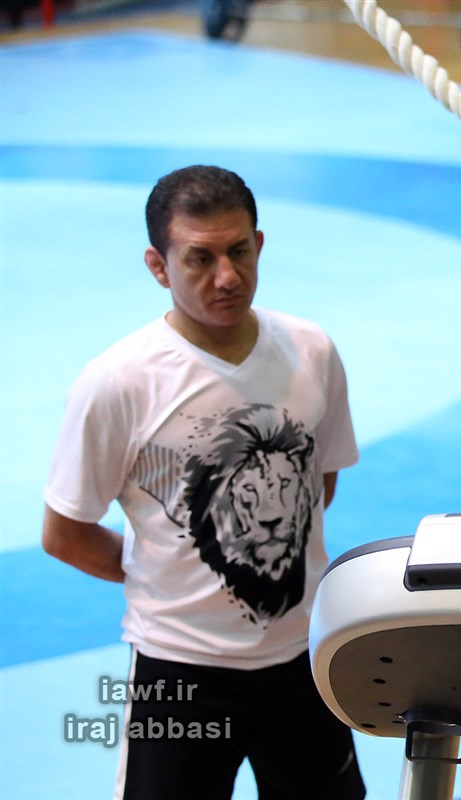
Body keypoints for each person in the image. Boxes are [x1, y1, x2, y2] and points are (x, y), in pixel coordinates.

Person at [42, 165, 366, 800]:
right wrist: (163, 572)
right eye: (200, 258)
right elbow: (65, 533)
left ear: (259, 244)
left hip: (301, 659)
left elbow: (316, 486)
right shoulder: (118, 383)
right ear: (158, 267)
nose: (227, 276)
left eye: (239, 251)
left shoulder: (312, 351)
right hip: (179, 672)